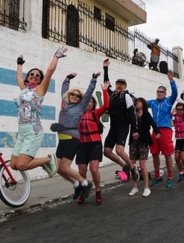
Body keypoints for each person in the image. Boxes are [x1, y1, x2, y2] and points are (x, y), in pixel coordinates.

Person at [10, 47, 67, 177]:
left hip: (33, 130)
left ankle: (48, 159)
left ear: (40, 80)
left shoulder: (40, 90)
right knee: (14, 164)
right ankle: (44, 163)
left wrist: (56, 56)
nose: (34, 76)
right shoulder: (24, 89)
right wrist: (19, 63)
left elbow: (50, 71)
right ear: (28, 78)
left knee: (22, 165)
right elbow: (18, 76)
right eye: (32, 74)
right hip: (22, 131)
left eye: (38, 75)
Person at [55, 71, 101, 203]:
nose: (74, 96)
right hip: (62, 139)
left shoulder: (80, 107)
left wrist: (93, 79)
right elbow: (63, 91)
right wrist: (67, 79)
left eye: (77, 95)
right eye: (72, 94)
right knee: (58, 169)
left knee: (65, 167)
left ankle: (85, 183)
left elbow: (87, 95)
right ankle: (77, 184)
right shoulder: (65, 103)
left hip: (72, 138)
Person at [103, 59, 140, 182]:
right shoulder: (113, 95)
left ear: (125, 86)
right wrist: (105, 68)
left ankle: (132, 167)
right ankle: (124, 166)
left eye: (122, 84)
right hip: (113, 127)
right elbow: (106, 83)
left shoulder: (126, 96)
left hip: (123, 127)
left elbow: (132, 113)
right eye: (118, 83)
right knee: (107, 151)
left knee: (119, 150)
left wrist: (134, 130)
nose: (119, 85)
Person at [76, 81, 110, 204]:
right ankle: (83, 192)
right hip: (81, 144)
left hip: (94, 143)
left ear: (93, 104)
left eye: (90, 101)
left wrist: (105, 90)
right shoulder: (77, 113)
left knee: (94, 169)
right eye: (86, 101)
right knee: (81, 171)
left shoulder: (96, 113)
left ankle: (98, 191)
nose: (87, 103)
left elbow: (106, 106)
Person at [148, 70, 178, 188]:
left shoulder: (169, 101)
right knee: (154, 153)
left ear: (165, 93)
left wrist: (171, 81)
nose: (159, 93)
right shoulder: (152, 102)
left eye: (161, 92)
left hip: (165, 130)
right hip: (155, 130)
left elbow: (175, 93)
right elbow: (141, 103)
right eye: (158, 92)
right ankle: (157, 176)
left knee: (167, 154)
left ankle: (170, 177)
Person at [128, 98, 161, 197]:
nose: (136, 103)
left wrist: (158, 132)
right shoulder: (133, 115)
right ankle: (134, 187)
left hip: (143, 142)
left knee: (142, 165)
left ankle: (146, 188)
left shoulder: (146, 114)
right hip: (133, 141)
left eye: (138, 102)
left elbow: (153, 124)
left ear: (143, 104)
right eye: (136, 102)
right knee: (132, 165)